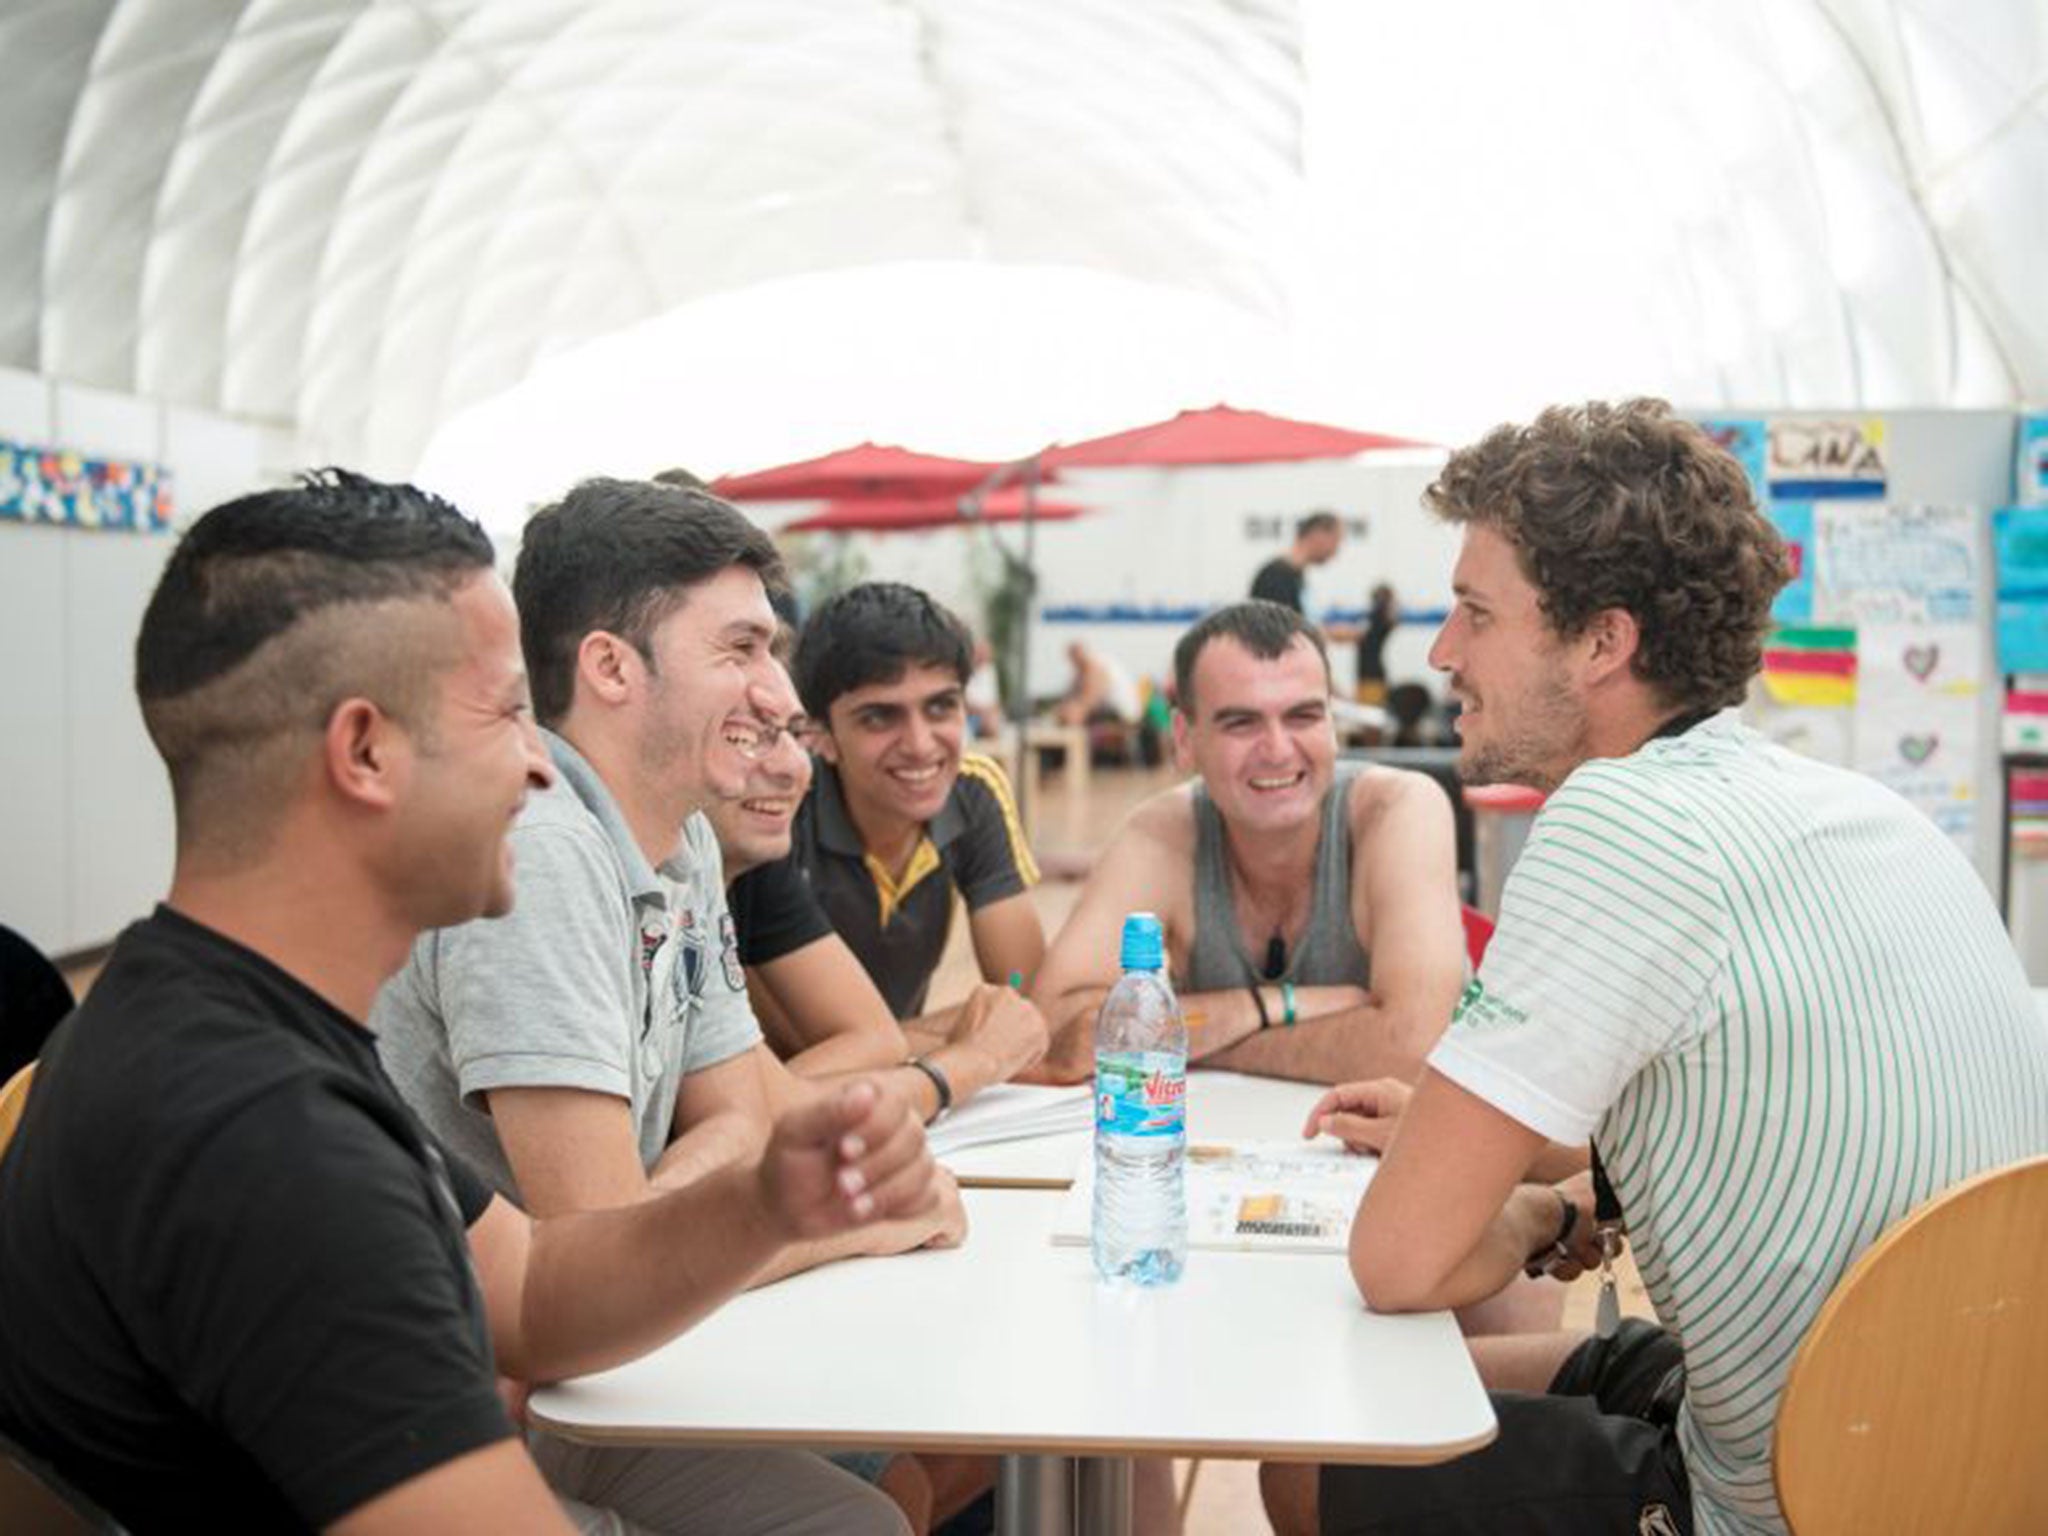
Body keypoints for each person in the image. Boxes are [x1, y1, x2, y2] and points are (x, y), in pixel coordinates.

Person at [0, 472, 933, 1534]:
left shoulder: (220, 1013)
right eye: (503, 715)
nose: (540, 764)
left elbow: (530, 1288)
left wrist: (767, 1200)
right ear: (365, 754)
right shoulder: (257, 1133)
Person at [1287, 400, 2048, 1536]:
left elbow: (1396, 1261)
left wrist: (1530, 1217)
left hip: (1788, 1497)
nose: (1441, 651)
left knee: (1310, 1455)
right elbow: (1755, 1107)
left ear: (1602, 642)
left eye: (1475, 612)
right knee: (1468, 1371)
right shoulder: (1849, 807)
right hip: (1960, 1455)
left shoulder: (1616, 822)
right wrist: (1487, 1150)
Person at [370, 477, 950, 1532]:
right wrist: (862, 1220)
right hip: (459, 1408)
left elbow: (743, 1114)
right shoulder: (539, 852)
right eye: (739, 650)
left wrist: (659, 1211)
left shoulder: (677, 835)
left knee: (886, 1497)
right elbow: (591, 1253)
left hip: (568, 1367)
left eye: (770, 650)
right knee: (871, 1508)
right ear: (608, 668)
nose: (780, 694)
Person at [1031, 600, 1465, 1090]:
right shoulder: (1162, 833)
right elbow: (1056, 1028)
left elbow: (1415, 1049)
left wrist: (1196, 1039)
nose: (1278, 750)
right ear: (1184, 738)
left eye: (1303, 716)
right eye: (1242, 723)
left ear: (1332, 725)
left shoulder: (1399, 809)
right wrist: (1266, 1006)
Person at [746, 581, 1048, 1032]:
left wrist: (904, 1042)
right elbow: (803, 1049)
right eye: (879, 717)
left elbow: (1024, 995)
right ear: (818, 736)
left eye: (941, 707)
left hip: (908, 1085)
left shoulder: (974, 791)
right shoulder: (777, 815)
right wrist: (967, 1031)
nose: (920, 745)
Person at [1249, 509, 1343, 614]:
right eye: (1336, 541)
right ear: (1318, 535)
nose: (1335, 552)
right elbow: (1283, 627)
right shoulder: (1276, 577)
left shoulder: (1296, 574)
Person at [1053, 639, 1141, 729]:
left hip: (1121, 715)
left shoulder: (1096, 666)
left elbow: (1088, 701)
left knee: (1074, 716)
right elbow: (1071, 696)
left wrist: (1072, 711)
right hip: (1109, 714)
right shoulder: (1081, 671)